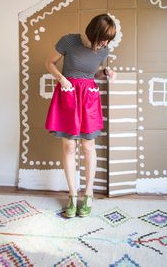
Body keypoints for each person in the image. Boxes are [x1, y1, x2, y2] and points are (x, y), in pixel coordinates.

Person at [45, 14, 117, 218]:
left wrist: (105, 73)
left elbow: (90, 74)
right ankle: (72, 195)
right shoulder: (69, 41)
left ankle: (88, 194)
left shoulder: (104, 50)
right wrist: (61, 79)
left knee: (88, 146)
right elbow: (49, 63)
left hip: (88, 98)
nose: (105, 43)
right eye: (103, 38)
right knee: (69, 146)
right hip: (68, 94)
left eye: (108, 40)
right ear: (93, 33)